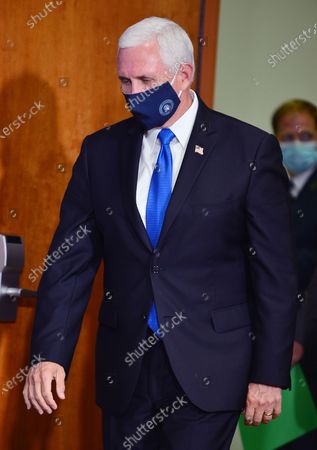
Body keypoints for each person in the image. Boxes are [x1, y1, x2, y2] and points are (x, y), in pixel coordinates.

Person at [23, 17, 298, 450]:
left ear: (183, 74)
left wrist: (268, 373)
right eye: (124, 81)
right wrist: (49, 355)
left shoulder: (247, 150)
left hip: (209, 368)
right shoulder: (102, 150)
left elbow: (274, 273)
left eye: (145, 80)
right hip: (125, 369)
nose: (132, 94)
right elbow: (70, 262)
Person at [273, 99, 317, 450]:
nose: (297, 143)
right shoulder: (269, 190)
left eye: (307, 135)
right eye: (288, 136)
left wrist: (300, 331)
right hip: (278, 324)